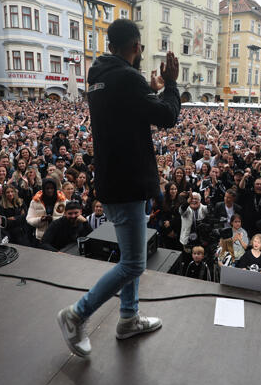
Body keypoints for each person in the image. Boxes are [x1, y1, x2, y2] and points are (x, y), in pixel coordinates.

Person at [57, 19, 180, 358]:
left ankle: (128, 317)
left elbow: (128, 110)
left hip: (114, 179)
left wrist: (149, 89)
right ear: (136, 47)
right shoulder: (127, 78)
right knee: (133, 264)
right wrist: (170, 85)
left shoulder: (99, 76)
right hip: (128, 182)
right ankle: (76, 314)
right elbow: (167, 117)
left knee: (131, 257)